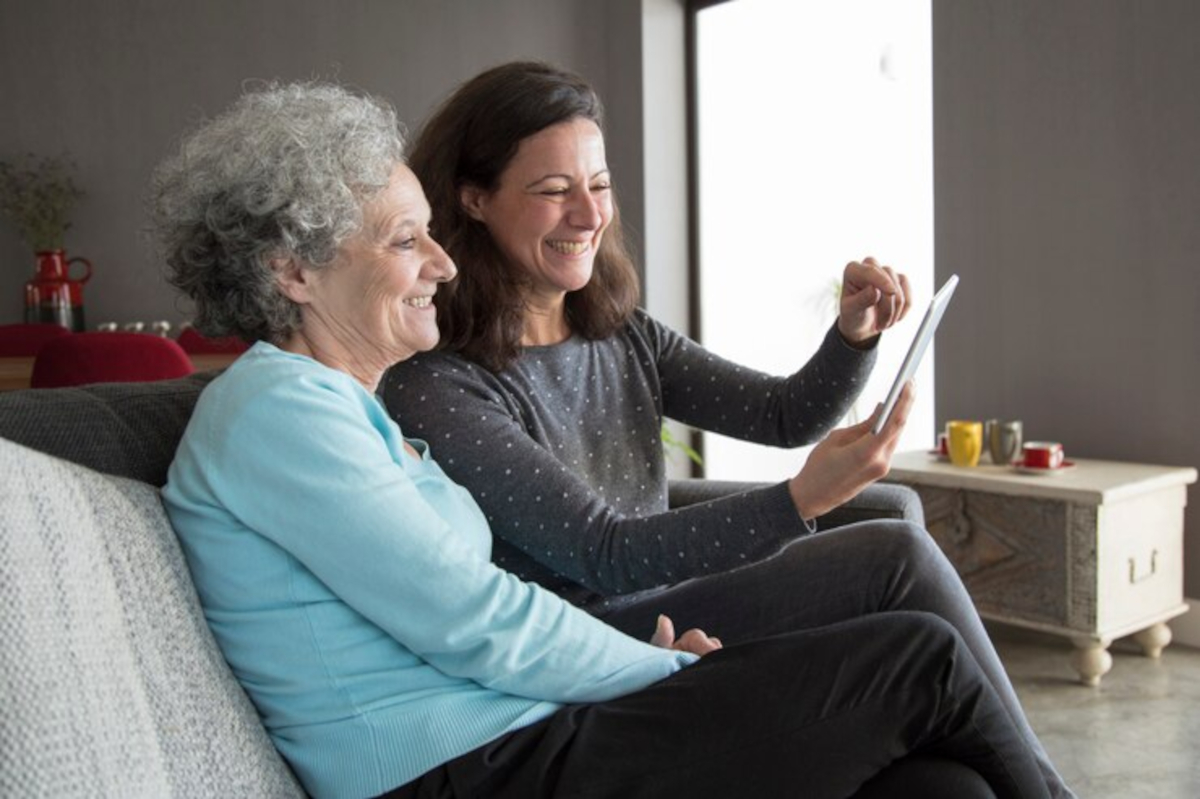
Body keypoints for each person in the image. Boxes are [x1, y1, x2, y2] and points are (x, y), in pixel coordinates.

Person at [155, 81, 1054, 799]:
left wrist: (854, 338)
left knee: (944, 784)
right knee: (918, 658)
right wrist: (660, 666)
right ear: (293, 270)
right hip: (465, 767)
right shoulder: (281, 415)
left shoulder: (346, 406)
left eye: (433, 235)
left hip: (521, 722)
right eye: (406, 240)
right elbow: (479, 620)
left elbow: (468, 617)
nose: (442, 261)